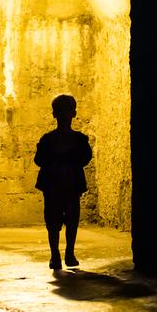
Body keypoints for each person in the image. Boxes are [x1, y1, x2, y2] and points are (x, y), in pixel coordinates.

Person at [34, 94, 93, 270]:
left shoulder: (49, 139)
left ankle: (59, 255)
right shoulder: (78, 139)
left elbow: (39, 160)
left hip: (58, 185)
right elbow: (85, 158)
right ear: (74, 113)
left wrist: (57, 160)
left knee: (58, 221)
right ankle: (64, 255)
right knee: (66, 220)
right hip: (66, 185)